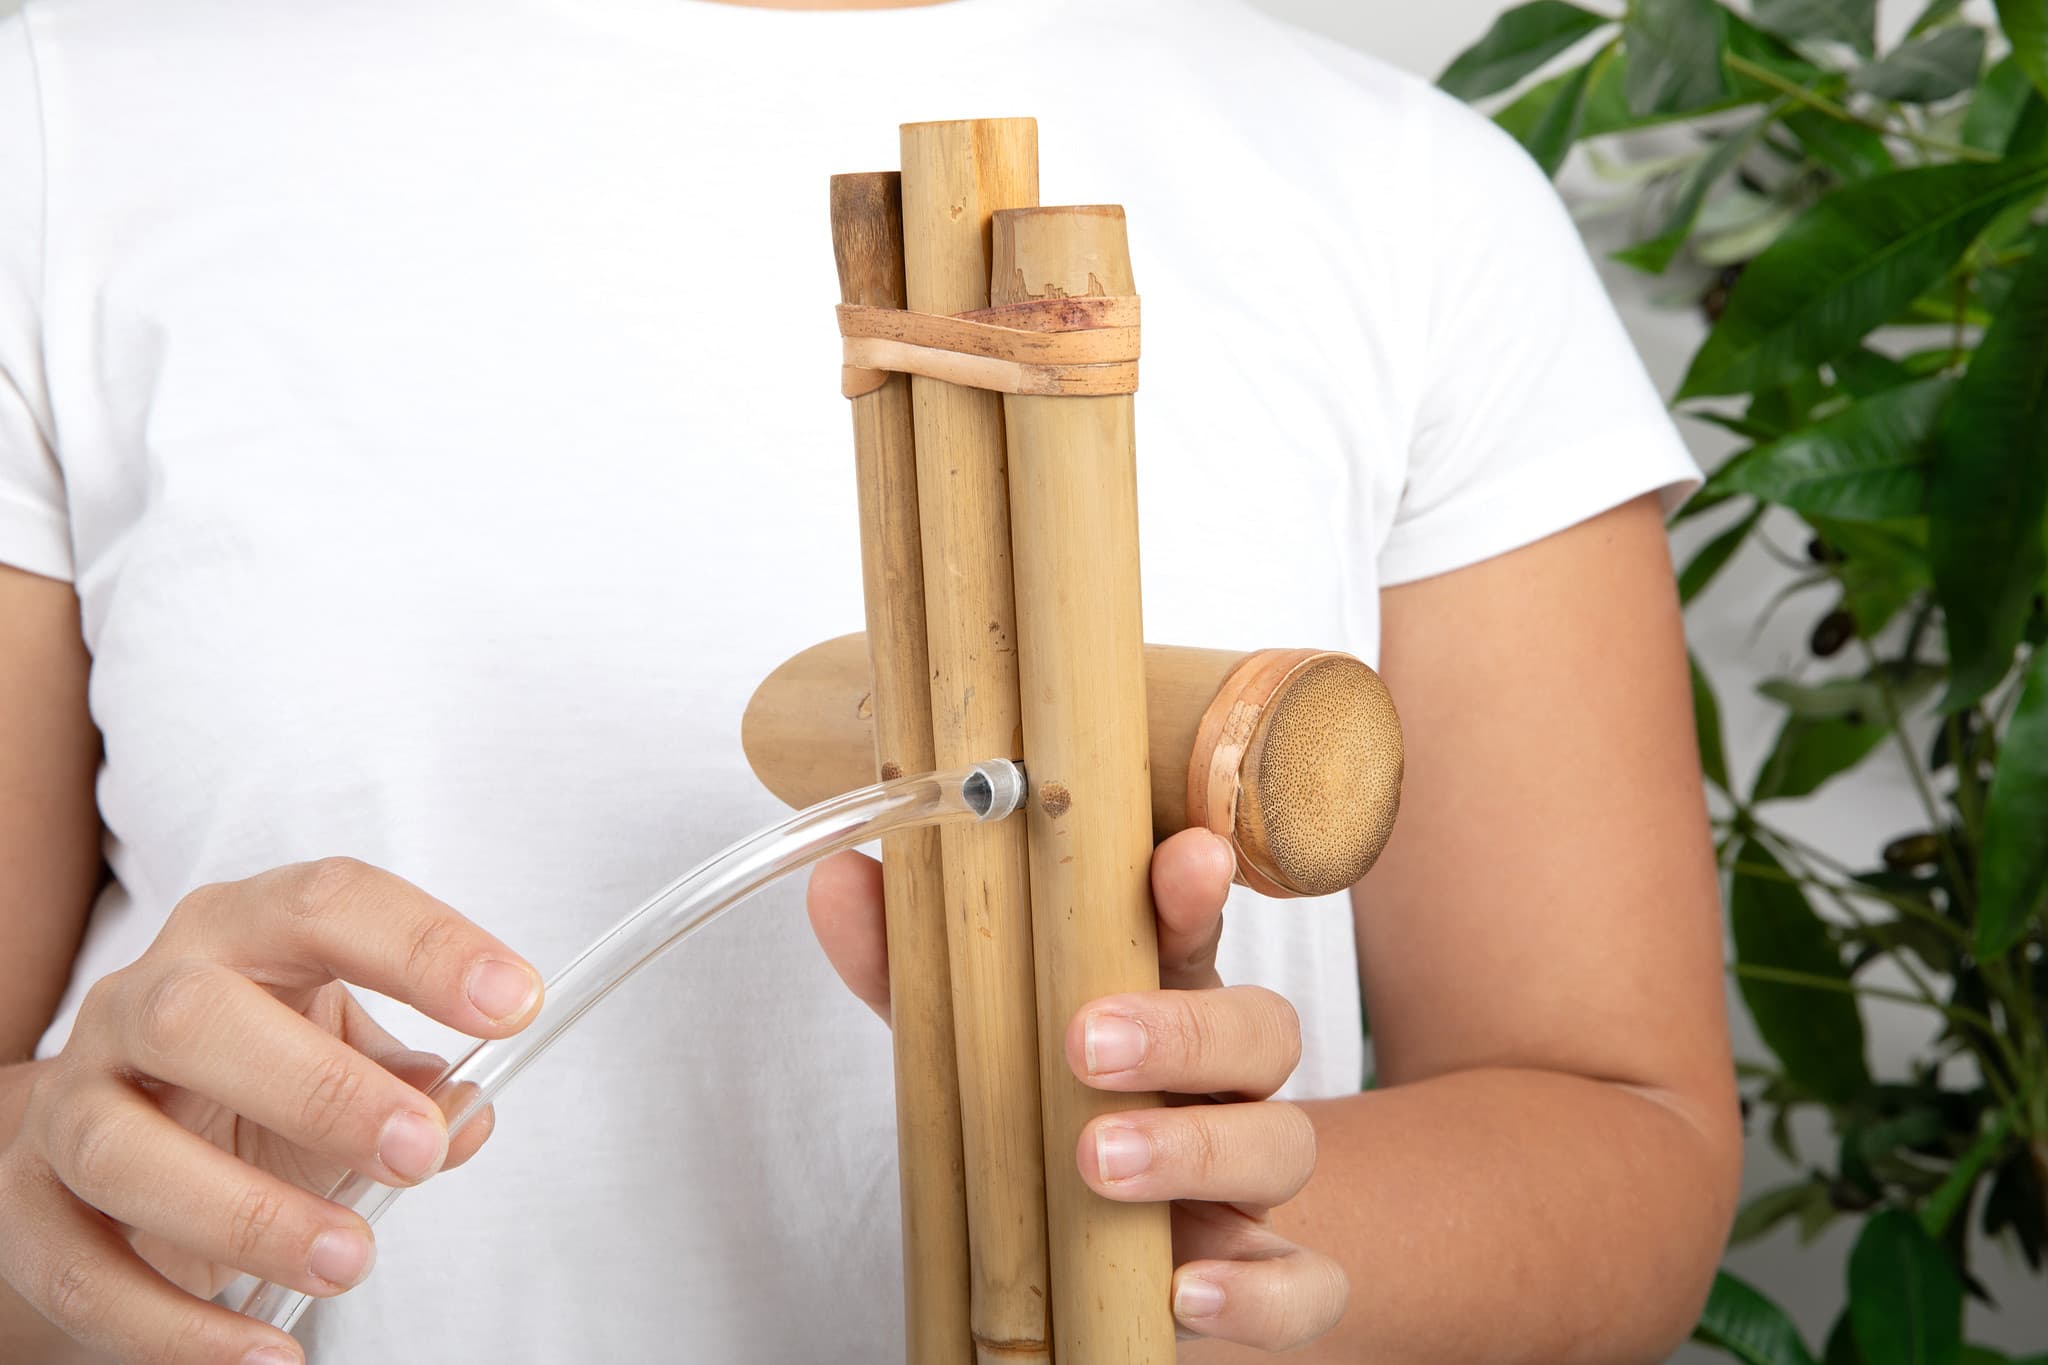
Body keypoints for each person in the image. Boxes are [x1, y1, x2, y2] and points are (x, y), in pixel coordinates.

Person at [0, 0, 1744, 1359]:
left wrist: (1208, 1233)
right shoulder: (65, 131)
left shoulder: (1405, 192)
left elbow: (1628, 1145)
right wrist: (83, 1203)